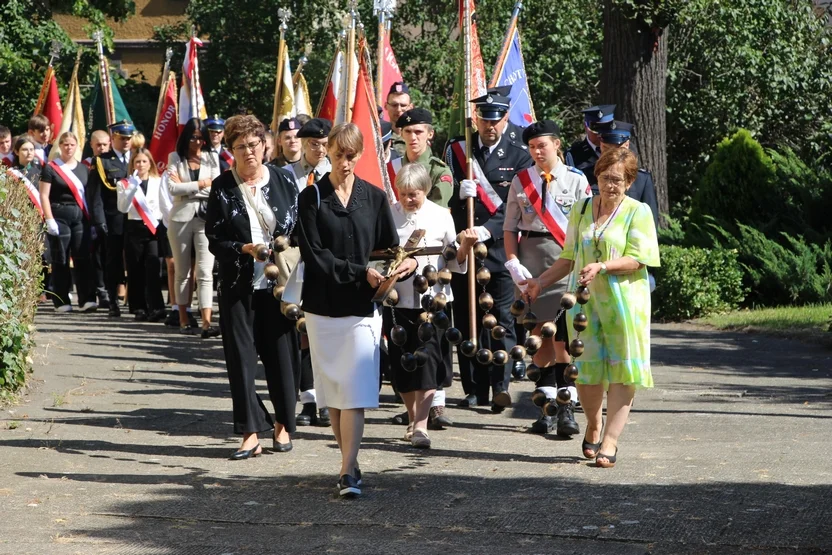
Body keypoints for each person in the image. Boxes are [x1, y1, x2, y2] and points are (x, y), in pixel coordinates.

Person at [521, 148, 660, 468]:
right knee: (586, 373)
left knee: (623, 372)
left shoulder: (637, 212)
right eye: (604, 178)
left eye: (617, 180)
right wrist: (540, 282)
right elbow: (569, 257)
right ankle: (594, 424)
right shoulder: (582, 209)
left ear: (629, 182)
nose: (610, 185)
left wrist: (603, 266)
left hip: (625, 304)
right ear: (595, 177)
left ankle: (610, 440)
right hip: (584, 305)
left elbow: (639, 258)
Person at [296, 122, 413, 497]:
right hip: (322, 306)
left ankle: (348, 470)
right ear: (327, 150)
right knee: (333, 393)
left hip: (363, 307)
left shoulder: (376, 197)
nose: (345, 162)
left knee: (356, 390)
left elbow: (389, 248)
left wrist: (402, 266)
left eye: (352, 155)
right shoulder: (311, 197)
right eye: (339, 154)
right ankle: (350, 459)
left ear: (361, 155)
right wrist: (359, 271)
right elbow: (314, 255)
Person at [205, 114, 300, 460]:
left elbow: (298, 227)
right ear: (230, 150)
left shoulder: (285, 180)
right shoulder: (222, 186)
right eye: (240, 146)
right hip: (238, 284)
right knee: (242, 360)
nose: (249, 152)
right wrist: (240, 250)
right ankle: (249, 432)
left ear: (265, 144)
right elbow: (214, 238)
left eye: (254, 144)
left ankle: (283, 425)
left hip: (281, 285)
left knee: (282, 357)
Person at [445, 90, 533, 412]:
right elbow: (445, 194)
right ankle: (474, 389)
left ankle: (501, 385)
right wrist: (458, 191)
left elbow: (520, 203)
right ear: (476, 120)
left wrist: (489, 229)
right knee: (469, 320)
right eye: (484, 120)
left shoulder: (519, 153)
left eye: (495, 120)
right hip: (466, 250)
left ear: (505, 119)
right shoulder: (459, 148)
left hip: (499, 250)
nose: (490, 126)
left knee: (502, 322)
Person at [504, 120, 590, 436]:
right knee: (539, 336)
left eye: (542, 145)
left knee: (564, 337)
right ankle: (547, 410)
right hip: (530, 260)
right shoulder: (521, 180)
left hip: (564, 260)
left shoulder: (577, 180)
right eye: (532, 147)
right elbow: (510, 226)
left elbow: (584, 228)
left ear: (556, 144)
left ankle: (568, 409)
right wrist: (512, 261)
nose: (537, 152)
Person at [384, 163, 477, 448]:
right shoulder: (388, 214)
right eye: (403, 193)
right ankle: (413, 419)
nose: (408, 199)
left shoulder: (440, 216)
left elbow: (453, 259)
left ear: (425, 190)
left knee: (427, 362)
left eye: (414, 194)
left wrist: (466, 247)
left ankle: (421, 425)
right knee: (403, 365)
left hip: (432, 300)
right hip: (397, 301)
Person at [165, 117, 220, 337]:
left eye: (200, 138)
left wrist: (187, 187)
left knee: (206, 270)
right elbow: (171, 188)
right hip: (180, 219)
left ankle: (207, 321)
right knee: (183, 270)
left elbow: (215, 189)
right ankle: (183, 317)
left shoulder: (212, 158)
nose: (197, 142)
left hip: (206, 218)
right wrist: (201, 184)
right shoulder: (175, 158)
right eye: (193, 137)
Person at [39, 131, 103, 312]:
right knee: (61, 259)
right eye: (65, 144)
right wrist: (49, 219)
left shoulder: (84, 169)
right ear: (60, 146)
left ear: (77, 147)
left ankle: (86, 299)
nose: (68, 147)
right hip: (59, 215)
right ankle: (61, 301)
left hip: (80, 216)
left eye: (72, 144)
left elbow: (89, 196)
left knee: (83, 257)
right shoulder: (51, 168)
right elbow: (44, 195)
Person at [86, 120, 135, 316]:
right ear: (113, 138)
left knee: (136, 260)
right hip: (112, 219)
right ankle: (113, 301)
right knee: (113, 262)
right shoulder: (101, 161)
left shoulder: (138, 159)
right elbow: (95, 195)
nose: (126, 142)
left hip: (137, 219)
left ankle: (137, 303)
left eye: (129, 138)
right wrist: (99, 221)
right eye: (122, 138)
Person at [117, 147, 170, 321]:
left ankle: (157, 307)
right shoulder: (124, 183)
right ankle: (138, 308)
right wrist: (132, 188)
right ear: (132, 164)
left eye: (144, 161)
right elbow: (122, 208)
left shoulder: (159, 180)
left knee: (154, 268)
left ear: (150, 163)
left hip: (154, 228)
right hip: (134, 228)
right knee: (135, 269)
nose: (140, 165)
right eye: (137, 161)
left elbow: (164, 205)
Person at [591, 120, 659, 231]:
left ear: (626, 145)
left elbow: (651, 224)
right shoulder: (586, 174)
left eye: (616, 148)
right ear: (601, 145)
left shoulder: (641, 179)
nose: (611, 154)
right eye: (606, 148)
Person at [396, 108, 453, 208]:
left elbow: (437, 212)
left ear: (430, 134)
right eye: (408, 131)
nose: (412, 137)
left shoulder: (439, 171)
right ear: (401, 134)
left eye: (418, 132)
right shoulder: (393, 167)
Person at [565, 105, 615, 195]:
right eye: (595, 128)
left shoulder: (624, 150)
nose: (601, 133)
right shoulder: (573, 155)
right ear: (585, 126)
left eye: (606, 127)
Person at [290, 118, 332, 193]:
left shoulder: (334, 173)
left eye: (325, 144)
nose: (321, 150)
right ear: (304, 143)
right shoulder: (288, 173)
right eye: (315, 144)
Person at [385, 82, 412, 157]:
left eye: (403, 105)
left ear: (411, 107)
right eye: (394, 105)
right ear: (386, 106)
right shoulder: (381, 136)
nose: (398, 109)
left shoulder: (417, 137)